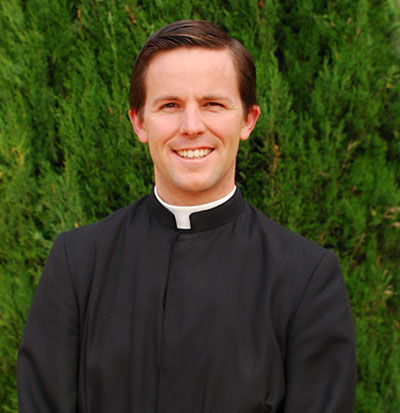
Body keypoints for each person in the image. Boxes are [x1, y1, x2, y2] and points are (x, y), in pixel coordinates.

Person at [17, 20, 356, 412]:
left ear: (248, 120)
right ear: (140, 122)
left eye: (213, 104)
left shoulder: (307, 277)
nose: (191, 127)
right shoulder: (78, 263)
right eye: (170, 105)